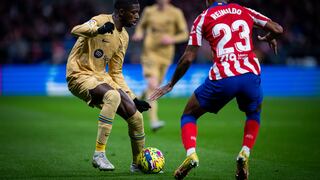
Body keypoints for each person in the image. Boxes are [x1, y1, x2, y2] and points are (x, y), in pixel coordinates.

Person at [150, 0, 283, 179]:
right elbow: (278, 29)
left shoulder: (202, 18)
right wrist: (270, 36)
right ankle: (244, 152)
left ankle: (191, 154)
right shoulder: (244, 10)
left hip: (224, 77)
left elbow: (188, 57)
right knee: (254, 113)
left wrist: (171, 84)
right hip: (250, 75)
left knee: (189, 114)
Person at [66, 0, 151, 172]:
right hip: (79, 74)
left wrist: (133, 97)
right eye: (133, 12)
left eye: (138, 12)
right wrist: (96, 31)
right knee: (112, 96)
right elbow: (75, 30)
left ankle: (138, 164)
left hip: (100, 77)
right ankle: (99, 154)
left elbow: (116, 72)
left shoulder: (124, 37)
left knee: (136, 117)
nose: (137, 16)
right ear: (121, 12)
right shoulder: (99, 20)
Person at [132, 0, 188, 131]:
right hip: (149, 53)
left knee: (153, 86)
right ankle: (153, 121)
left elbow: (184, 34)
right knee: (153, 84)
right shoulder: (149, 11)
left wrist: (172, 39)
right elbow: (141, 26)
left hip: (166, 56)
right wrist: (139, 33)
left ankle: (136, 100)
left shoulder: (176, 13)